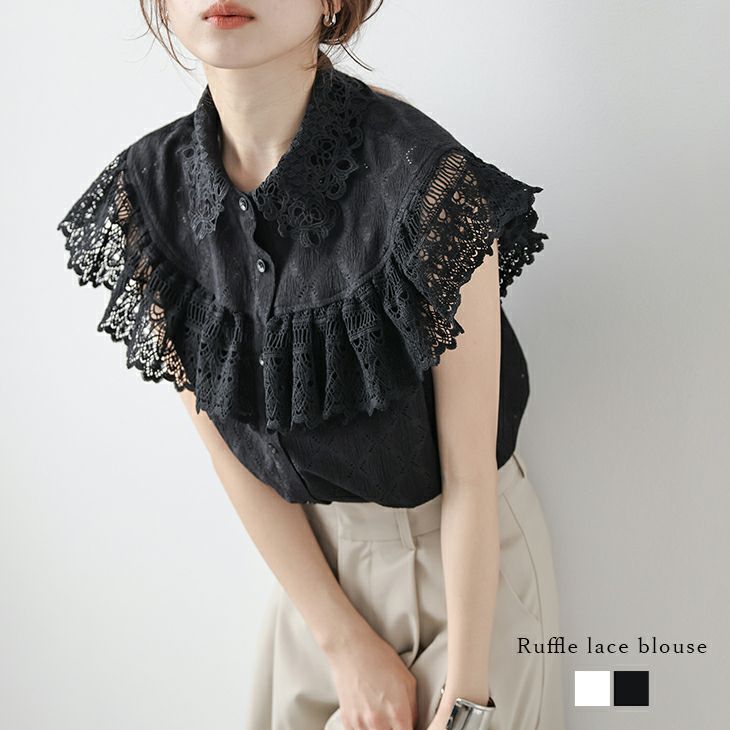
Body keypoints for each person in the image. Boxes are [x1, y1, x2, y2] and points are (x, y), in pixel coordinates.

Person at [56, 2, 566, 728]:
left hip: (470, 583)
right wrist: (341, 641)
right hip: (313, 588)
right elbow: (229, 450)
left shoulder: (429, 182)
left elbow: (470, 476)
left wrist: (467, 698)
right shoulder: (151, 197)